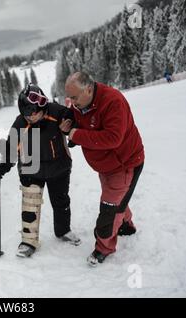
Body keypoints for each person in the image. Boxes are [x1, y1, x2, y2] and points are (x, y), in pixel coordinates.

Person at [64, 72, 145, 266]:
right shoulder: (81, 102)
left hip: (124, 164)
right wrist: (71, 125)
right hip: (105, 166)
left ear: (89, 89)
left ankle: (104, 248)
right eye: (69, 98)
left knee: (109, 210)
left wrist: (75, 134)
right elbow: (80, 121)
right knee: (116, 198)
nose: (72, 102)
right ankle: (126, 226)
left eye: (74, 97)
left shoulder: (113, 101)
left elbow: (112, 138)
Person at [0, 83, 81, 258]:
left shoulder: (57, 112)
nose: (31, 118)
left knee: (61, 201)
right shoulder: (20, 123)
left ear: (42, 106)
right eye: (27, 115)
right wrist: (3, 167)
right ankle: (28, 241)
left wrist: (71, 132)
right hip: (30, 170)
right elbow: (12, 148)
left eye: (34, 113)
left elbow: (73, 123)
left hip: (59, 167)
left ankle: (63, 231)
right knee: (30, 205)